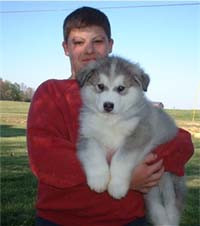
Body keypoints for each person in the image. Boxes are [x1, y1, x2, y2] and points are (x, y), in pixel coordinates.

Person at [27, 6, 194, 226]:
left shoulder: (130, 96)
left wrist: (132, 160)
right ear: (65, 48)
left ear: (110, 45)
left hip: (127, 219)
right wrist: (121, 169)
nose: (88, 50)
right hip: (61, 219)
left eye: (97, 41)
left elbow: (181, 144)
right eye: (78, 42)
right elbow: (46, 159)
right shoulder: (51, 92)